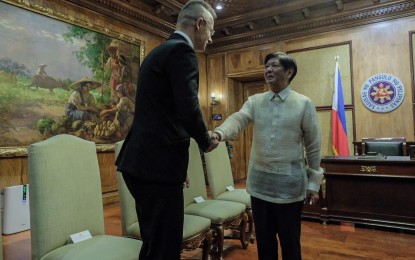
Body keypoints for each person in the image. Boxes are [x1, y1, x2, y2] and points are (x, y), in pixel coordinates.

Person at [115, 1, 218, 259]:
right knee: (164, 247)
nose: (211, 38)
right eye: (211, 30)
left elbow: (164, 116)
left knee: (154, 243)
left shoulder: (159, 51)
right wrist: (205, 140)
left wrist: (176, 168)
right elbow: (187, 108)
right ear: (200, 24)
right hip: (155, 168)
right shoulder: (183, 52)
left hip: (144, 164)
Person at [211, 52, 324, 260]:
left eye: (274, 66)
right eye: (266, 67)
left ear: (289, 72)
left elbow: (313, 145)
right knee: (264, 242)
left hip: (290, 188)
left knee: (290, 242)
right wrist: (219, 133)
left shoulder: (303, 103)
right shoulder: (255, 101)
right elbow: (238, 119)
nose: (268, 70)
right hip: (260, 187)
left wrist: (314, 183)